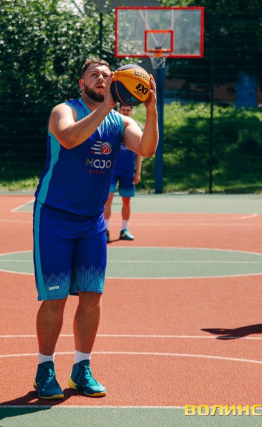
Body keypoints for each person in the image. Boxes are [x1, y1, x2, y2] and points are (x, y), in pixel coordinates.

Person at [32, 58, 158, 399]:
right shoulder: (64, 111)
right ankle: (45, 369)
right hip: (54, 217)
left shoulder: (121, 121)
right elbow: (69, 138)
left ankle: (81, 368)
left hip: (92, 223)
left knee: (92, 297)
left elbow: (147, 148)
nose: (101, 78)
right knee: (55, 298)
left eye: (106, 75)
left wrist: (151, 107)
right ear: (81, 82)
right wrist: (107, 107)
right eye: (94, 75)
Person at [104, 105, 143, 243]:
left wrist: (138, 172)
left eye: (128, 110)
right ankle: (105, 230)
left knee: (126, 201)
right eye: (123, 110)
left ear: (131, 112)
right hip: (111, 171)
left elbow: (139, 152)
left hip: (127, 171)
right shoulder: (112, 127)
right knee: (107, 199)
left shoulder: (135, 128)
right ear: (118, 111)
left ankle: (124, 230)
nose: (125, 112)